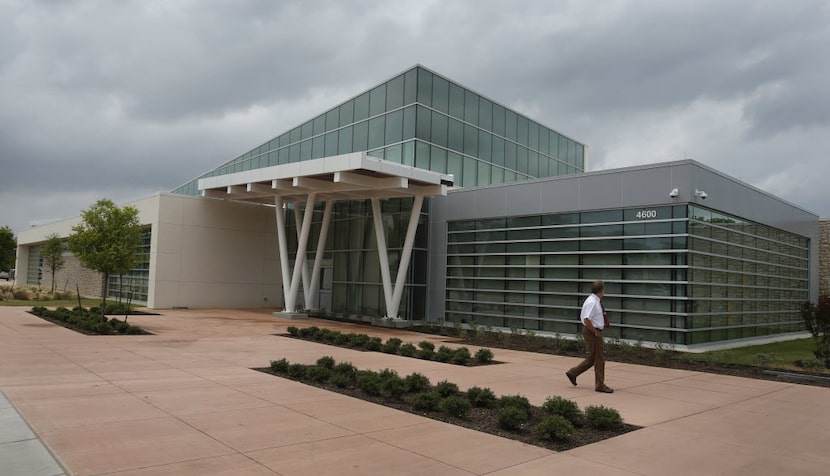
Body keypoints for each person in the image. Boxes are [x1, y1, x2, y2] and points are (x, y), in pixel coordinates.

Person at [566, 280, 613, 393]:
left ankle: (573, 373)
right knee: (600, 358)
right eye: (603, 289)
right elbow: (587, 319)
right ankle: (600, 385)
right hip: (592, 331)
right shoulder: (593, 302)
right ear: (600, 291)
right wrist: (595, 332)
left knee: (593, 358)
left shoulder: (594, 300)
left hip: (592, 330)